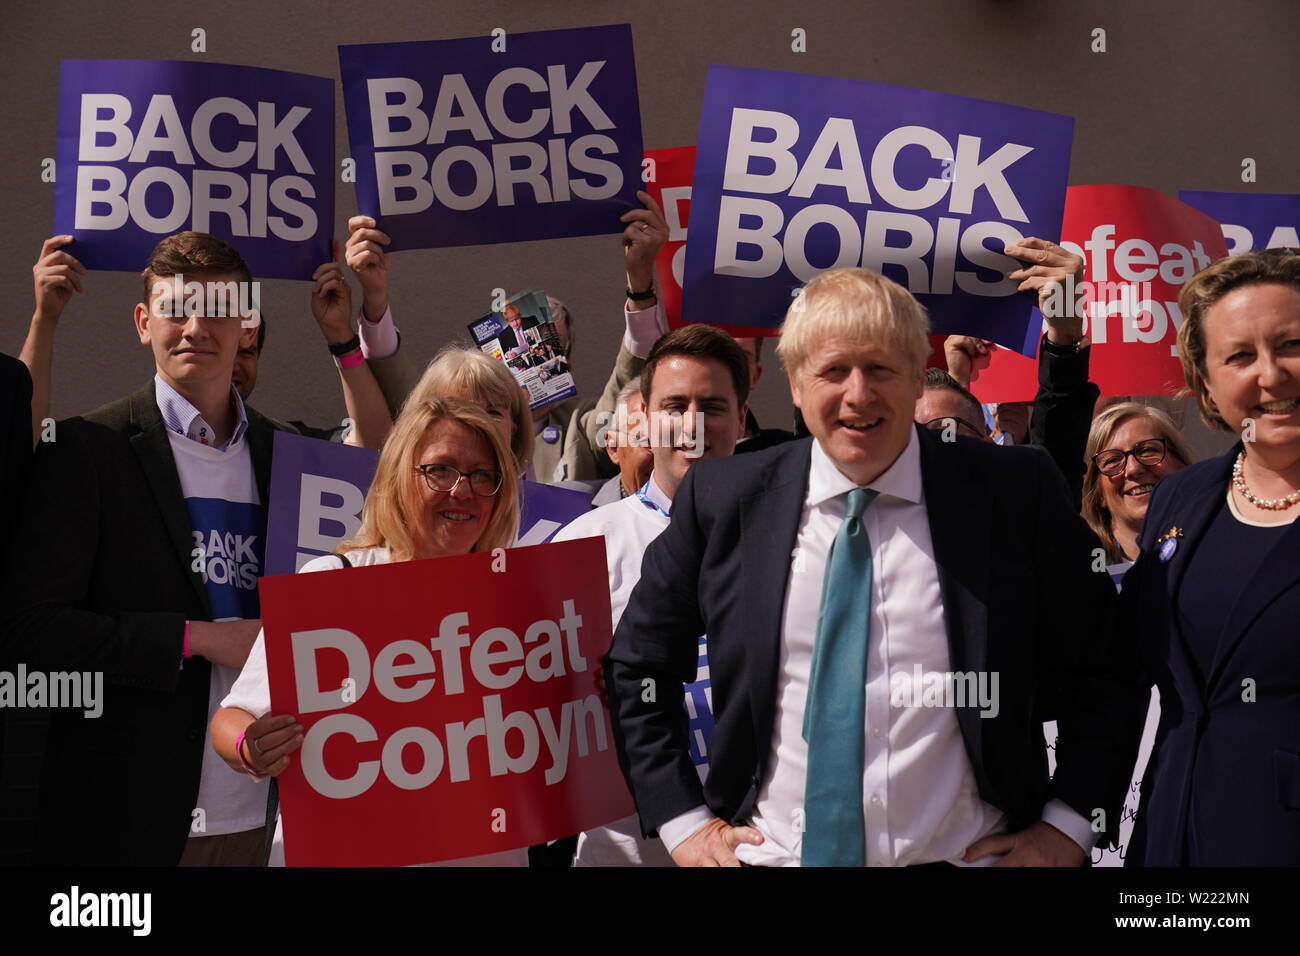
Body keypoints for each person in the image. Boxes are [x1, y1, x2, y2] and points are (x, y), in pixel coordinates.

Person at [605, 266, 1145, 867]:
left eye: (881, 369)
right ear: (794, 383)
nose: (858, 395)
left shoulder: (1013, 492)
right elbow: (639, 665)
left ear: (917, 378)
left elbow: (1108, 669)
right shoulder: (724, 498)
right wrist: (683, 823)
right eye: (833, 370)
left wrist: (1068, 828)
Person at [0, 232, 297, 865]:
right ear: (143, 322)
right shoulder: (84, 449)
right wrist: (196, 638)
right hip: (126, 818)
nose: (195, 326)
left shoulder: (290, 458)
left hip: (269, 818)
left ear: (248, 325)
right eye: (175, 307)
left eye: (217, 308)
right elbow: (29, 629)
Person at [211, 397, 524, 866]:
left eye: (483, 475)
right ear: (400, 475)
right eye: (440, 470)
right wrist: (250, 745)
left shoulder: (520, 605)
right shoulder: (329, 584)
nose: (463, 491)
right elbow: (230, 719)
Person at [1122, 248, 1300, 866]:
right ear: (1206, 384)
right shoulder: (1180, 497)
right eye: (1241, 356)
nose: (1272, 376)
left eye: (1292, 345)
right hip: (1170, 844)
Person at [554, 325, 750, 865]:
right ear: (644, 416)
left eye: (711, 406)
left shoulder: (795, 535)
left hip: (766, 844)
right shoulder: (582, 545)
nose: (691, 424)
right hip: (626, 852)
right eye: (674, 405)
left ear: (741, 417)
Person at [937, 237, 1099, 503]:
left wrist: (1065, 336)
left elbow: (1055, 461)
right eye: (936, 431)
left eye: (952, 426)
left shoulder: (1030, 518)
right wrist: (957, 387)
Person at [1081, 403, 1192, 582]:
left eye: (1148, 450)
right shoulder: (1079, 578)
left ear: (1180, 464)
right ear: (1098, 493)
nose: (1133, 469)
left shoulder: (1217, 549)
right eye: (1112, 460)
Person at [407, 345, 534, 478]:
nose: (481, 422)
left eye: (493, 412)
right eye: (461, 411)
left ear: (513, 430)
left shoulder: (544, 497)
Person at [589, 381, 653, 507]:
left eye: (675, 442)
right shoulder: (568, 510)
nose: (664, 454)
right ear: (614, 448)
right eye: (648, 442)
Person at [732, 336, 795, 454]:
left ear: (755, 376)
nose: (726, 367)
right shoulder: (690, 443)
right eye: (714, 354)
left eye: (740, 358)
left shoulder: (787, 452)